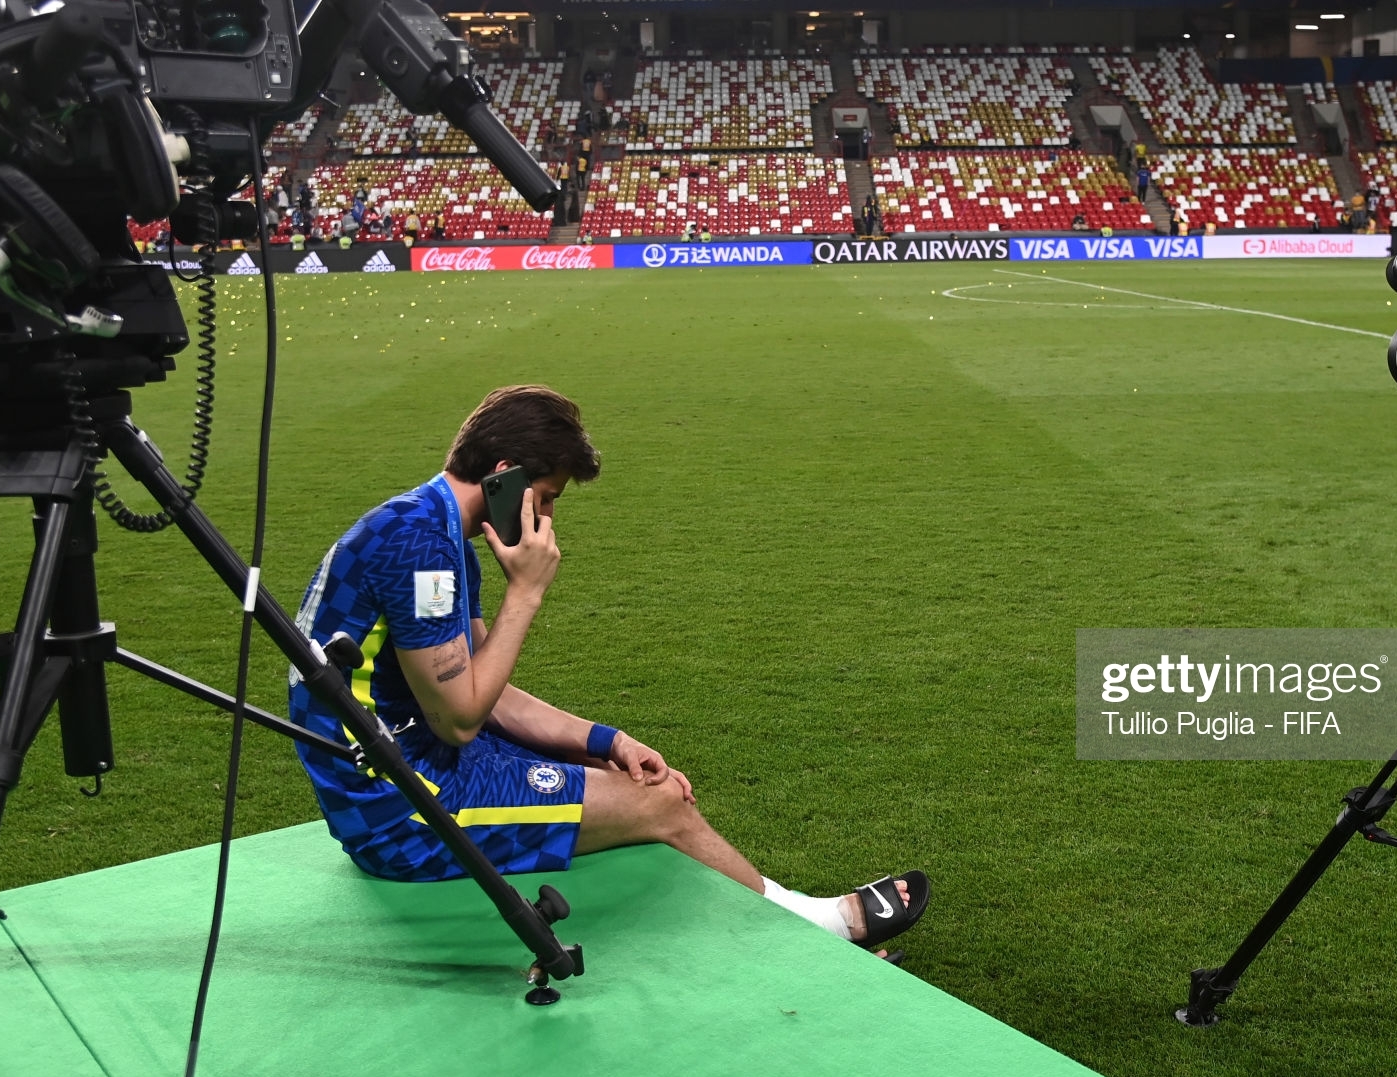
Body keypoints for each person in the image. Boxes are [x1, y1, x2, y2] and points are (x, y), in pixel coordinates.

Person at [290, 387, 930, 953]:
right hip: (401, 812)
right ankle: (820, 930)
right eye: (546, 497)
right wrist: (527, 593)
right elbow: (460, 719)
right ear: (506, 475)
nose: (547, 518)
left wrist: (607, 741)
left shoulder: (429, 529)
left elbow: (492, 696)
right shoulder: (421, 548)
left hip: (411, 761)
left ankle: (779, 916)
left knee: (624, 776)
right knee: (659, 803)